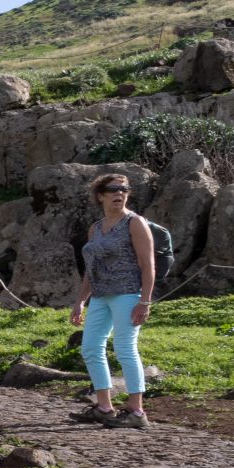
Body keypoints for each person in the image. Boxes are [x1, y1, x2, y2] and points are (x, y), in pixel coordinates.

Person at [70, 171, 155, 428]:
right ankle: (104, 407)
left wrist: (145, 301)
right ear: (100, 196)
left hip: (128, 294)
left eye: (124, 189)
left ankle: (137, 412)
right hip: (100, 295)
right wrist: (80, 300)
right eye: (113, 189)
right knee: (91, 348)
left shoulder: (134, 223)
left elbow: (148, 264)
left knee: (125, 349)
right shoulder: (95, 229)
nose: (119, 193)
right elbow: (91, 268)